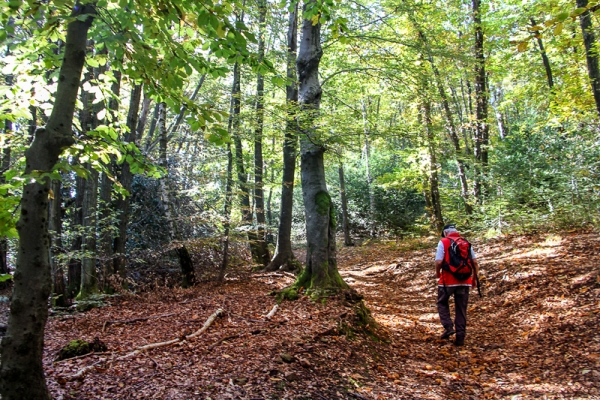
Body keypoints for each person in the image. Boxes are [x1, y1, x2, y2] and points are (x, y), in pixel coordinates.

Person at [435, 224, 479, 346]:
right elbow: (474, 262)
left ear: (445, 233)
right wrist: (474, 278)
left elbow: (439, 261)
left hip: (447, 281)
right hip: (465, 281)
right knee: (461, 309)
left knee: (442, 302)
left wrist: (437, 273)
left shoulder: (443, 242)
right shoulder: (466, 242)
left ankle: (448, 327)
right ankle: (460, 338)